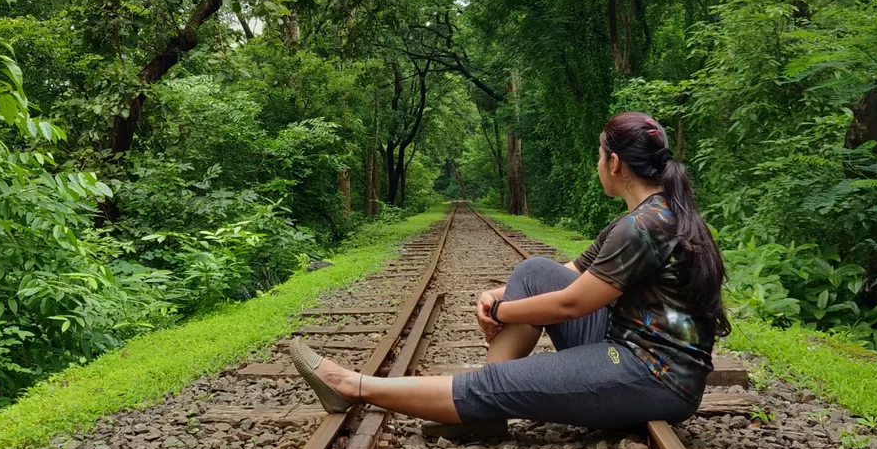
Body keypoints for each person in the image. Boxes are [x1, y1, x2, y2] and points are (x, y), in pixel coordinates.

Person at [289, 111, 729, 431]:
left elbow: (573, 302)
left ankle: (353, 386)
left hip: (653, 376)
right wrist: (501, 293)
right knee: (535, 270)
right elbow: (569, 272)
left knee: (499, 375)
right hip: (628, 344)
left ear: (615, 164)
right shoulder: (642, 217)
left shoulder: (645, 225)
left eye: (599, 157)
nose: (598, 166)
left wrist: (502, 313)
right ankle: (486, 407)